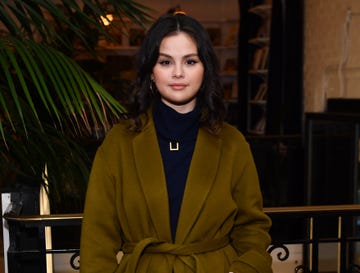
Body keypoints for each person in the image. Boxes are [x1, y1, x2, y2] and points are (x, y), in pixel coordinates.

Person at [80, 11, 273, 273]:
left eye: (190, 61)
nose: (179, 73)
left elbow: (252, 228)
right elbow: (97, 238)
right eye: (166, 62)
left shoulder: (232, 143)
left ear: (205, 69)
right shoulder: (119, 144)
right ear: (150, 71)